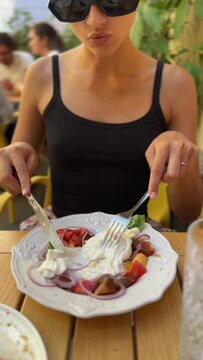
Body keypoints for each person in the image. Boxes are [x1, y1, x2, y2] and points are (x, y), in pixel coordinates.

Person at [0, 0, 202, 227]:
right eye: (74, 6)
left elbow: (189, 212)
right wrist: (12, 161)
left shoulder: (174, 83)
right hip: (59, 234)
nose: (95, 21)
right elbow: (17, 167)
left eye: (112, 2)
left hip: (132, 237)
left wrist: (182, 155)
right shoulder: (42, 74)